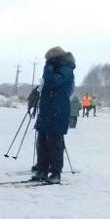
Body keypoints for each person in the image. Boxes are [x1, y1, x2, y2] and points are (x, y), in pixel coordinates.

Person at [31, 46, 75, 185]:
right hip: (47, 110)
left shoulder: (66, 70)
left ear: (54, 58)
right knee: (42, 142)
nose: (46, 62)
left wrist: (48, 68)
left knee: (55, 144)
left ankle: (55, 172)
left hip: (58, 111)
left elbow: (51, 82)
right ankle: (42, 169)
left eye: (48, 60)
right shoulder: (55, 69)